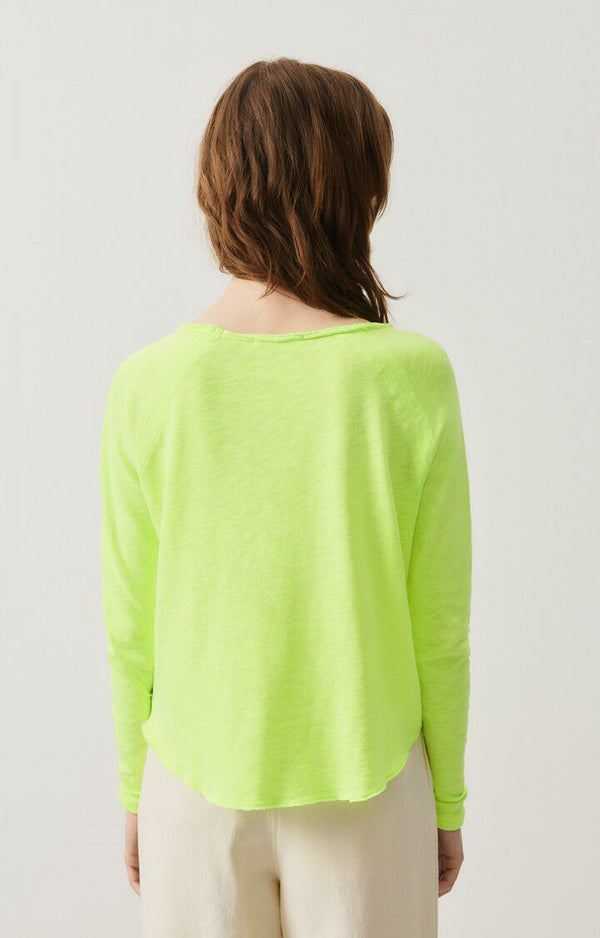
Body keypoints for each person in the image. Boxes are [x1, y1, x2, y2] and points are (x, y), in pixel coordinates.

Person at [100, 58, 472, 938]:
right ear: (355, 190)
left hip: (191, 788)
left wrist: (134, 790)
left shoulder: (150, 382)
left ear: (218, 185)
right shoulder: (408, 376)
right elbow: (439, 623)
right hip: (368, 783)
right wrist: (448, 797)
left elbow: (129, 623)